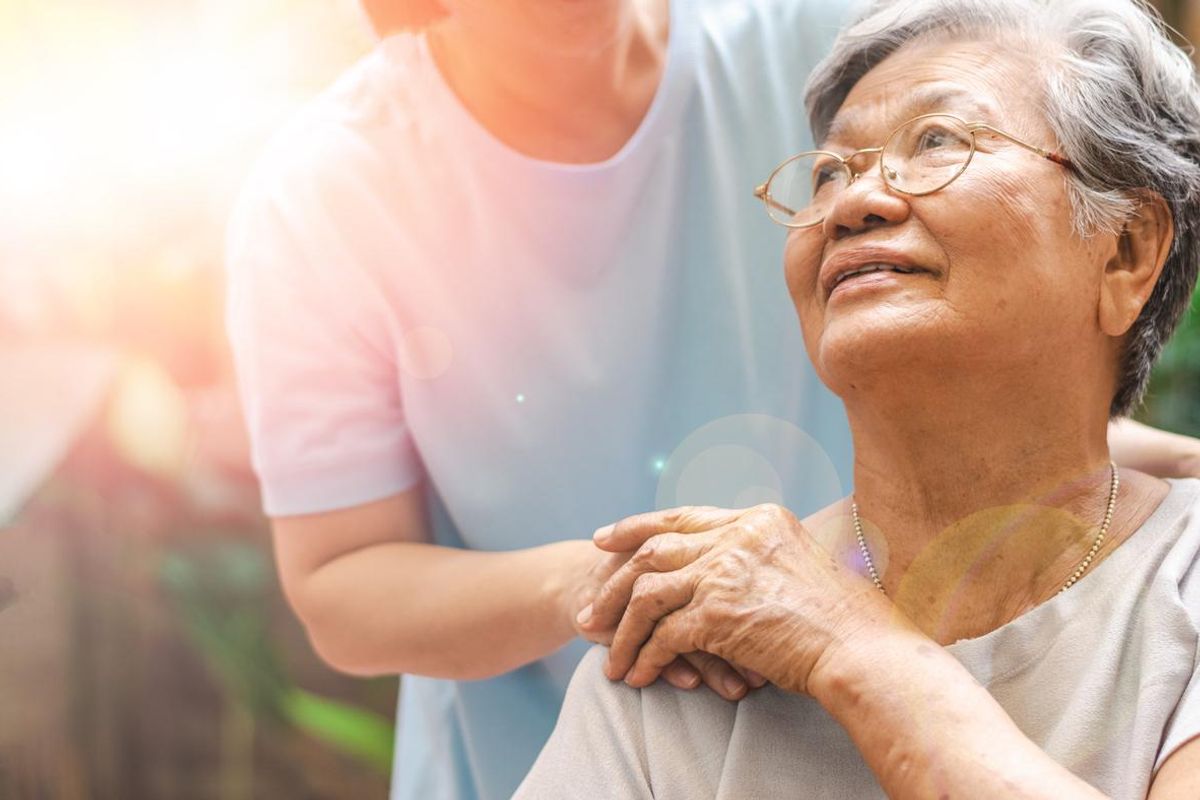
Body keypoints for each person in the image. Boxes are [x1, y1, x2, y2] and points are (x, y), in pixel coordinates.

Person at [224, 0, 1200, 798]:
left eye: (934, 141)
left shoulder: (820, 43)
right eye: (828, 172)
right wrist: (634, 581)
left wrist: (1090, 454)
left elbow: (1001, 335)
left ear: (1128, 252)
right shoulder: (329, 191)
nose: (859, 195)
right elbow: (343, 576)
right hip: (646, 686)